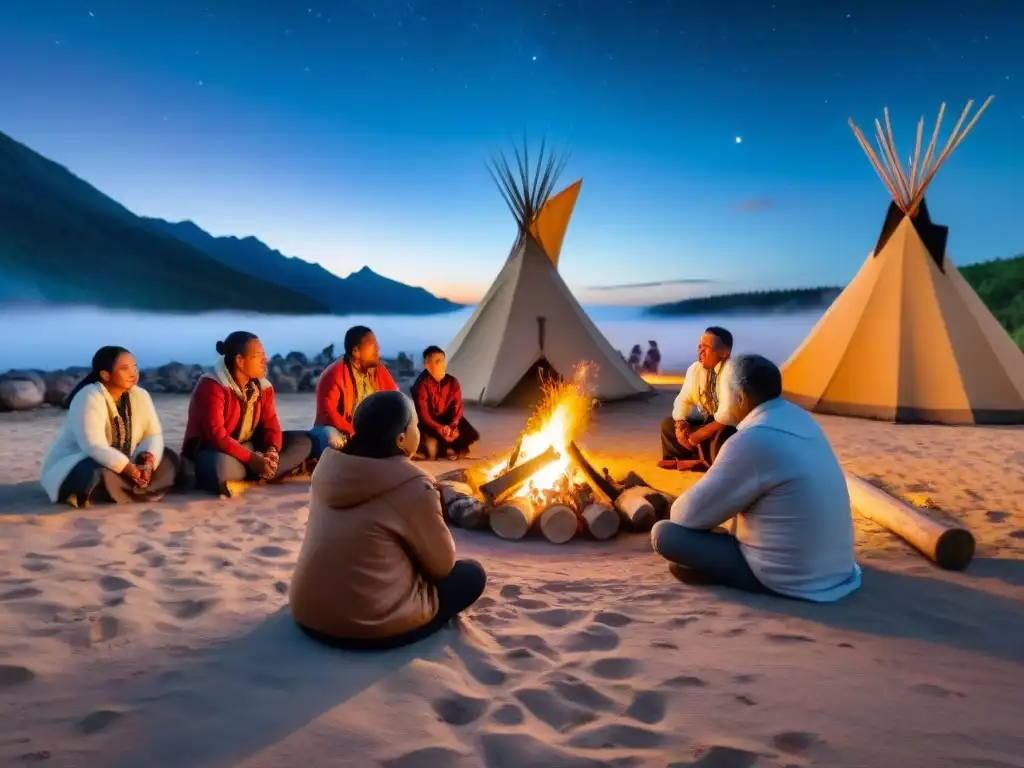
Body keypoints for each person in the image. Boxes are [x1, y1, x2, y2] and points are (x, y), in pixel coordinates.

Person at [651, 354, 862, 602]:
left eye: (724, 392)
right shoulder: (801, 418)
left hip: (788, 579)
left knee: (664, 534)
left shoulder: (753, 439)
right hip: (836, 571)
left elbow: (684, 516)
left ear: (739, 397)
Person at [290, 390, 487, 650]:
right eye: (415, 424)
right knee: (471, 574)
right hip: (370, 626)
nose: (419, 429)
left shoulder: (328, 471)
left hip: (308, 612)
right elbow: (442, 566)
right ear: (402, 437)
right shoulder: (413, 485)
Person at [40, 346, 179, 507]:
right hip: (83, 460)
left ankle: (127, 487)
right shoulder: (89, 396)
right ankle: (122, 488)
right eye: (124, 368)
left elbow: (153, 434)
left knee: (167, 458)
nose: (133, 373)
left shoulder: (141, 395)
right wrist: (129, 470)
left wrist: (146, 464)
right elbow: (93, 445)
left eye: (135, 367)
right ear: (105, 375)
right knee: (95, 472)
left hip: (126, 463)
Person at [181, 331, 314, 496]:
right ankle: (266, 472)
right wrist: (251, 459)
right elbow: (216, 436)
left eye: (264, 355)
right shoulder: (212, 385)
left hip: (250, 447)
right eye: (259, 356)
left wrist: (272, 450)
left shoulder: (263, 387)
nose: (265, 360)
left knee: (303, 442)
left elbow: (271, 423)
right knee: (221, 468)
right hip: (217, 451)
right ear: (240, 361)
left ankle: (261, 472)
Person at [311, 325, 399, 457]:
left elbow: (396, 399)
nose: (377, 348)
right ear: (356, 351)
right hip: (340, 431)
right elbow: (328, 412)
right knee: (331, 439)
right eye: (372, 344)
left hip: (369, 432)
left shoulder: (378, 370)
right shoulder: (335, 373)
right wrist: (354, 433)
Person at [659, 326, 735, 471]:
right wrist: (680, 424)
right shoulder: (695, 369)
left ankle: (703, 462)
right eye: (700, 346)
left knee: (720, 437)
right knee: (668, 424)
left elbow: (727, 416)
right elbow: (683, 399)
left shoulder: (732, 372)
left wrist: (696, 436)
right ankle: (682, 459)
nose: (700, 351)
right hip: (709, 418)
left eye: (707, 347)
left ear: (724, 353)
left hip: (728, 425)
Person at [410, 346, 480, 460]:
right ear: (427, 365)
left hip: (448, 420)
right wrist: (439, 428)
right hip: (429, 422)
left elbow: (458, 409)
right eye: (437, 361)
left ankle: (445, 447)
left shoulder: (452, 382)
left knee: (471, 435)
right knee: (421, 438)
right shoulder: (421, 385)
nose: (442, 364)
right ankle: (441, 447)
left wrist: (453, 426)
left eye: (443, 360)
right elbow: (424, 416)